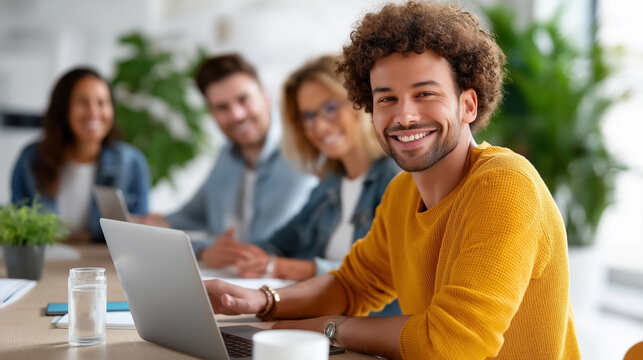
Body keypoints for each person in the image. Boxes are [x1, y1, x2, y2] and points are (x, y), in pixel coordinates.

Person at [203, 2, 581, 359]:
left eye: (425, 94)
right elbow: (352, 285)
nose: (404, 116)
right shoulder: (402, 192)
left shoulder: (505, 185)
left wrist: (330, 329)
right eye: (386, 99)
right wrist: (262, 302)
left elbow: (451, 345)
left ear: (468, 105)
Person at [201, 55, 400, 283]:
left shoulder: (396, 178)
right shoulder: (329, 184)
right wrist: (230, 253)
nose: (319, 126)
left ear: (361, 102)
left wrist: (284, 268)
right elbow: (279, 244)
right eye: (308, 116)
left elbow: (385, 273)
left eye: (331, 107)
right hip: (321, 311)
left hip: (358, 318)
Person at [136, 54, 317, 258]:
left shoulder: (299, 155)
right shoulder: (227, 156)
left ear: (265, 97)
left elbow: (260, 246)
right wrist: (155, 223)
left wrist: (203, 251)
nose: (236, 115)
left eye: (243, 99)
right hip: (229, 277)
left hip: (273, 279)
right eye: (222, 107)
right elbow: (194, 213)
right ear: (211, 113)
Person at [11, 67, 150, 243]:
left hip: (105, 266)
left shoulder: (132, 163)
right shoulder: (31, 158)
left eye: (101, 102)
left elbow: (139, 237)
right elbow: (17, 225)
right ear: (63, 109)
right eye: (83, 102)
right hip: (45, 262)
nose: (94, 112)